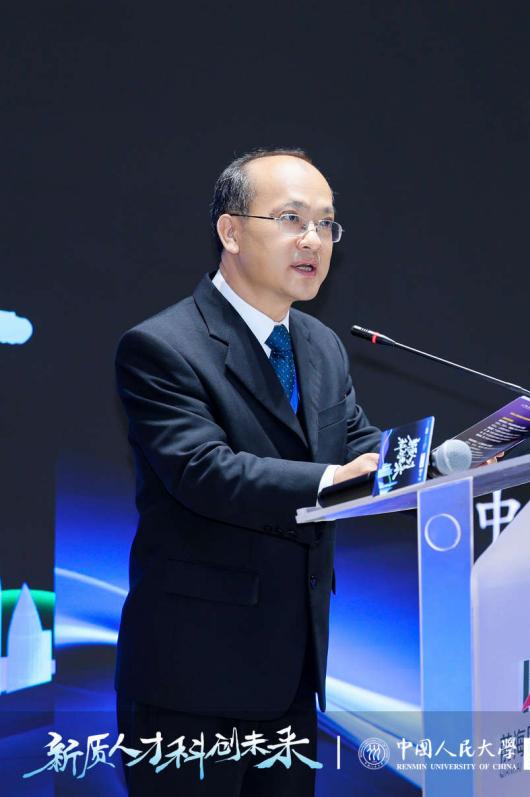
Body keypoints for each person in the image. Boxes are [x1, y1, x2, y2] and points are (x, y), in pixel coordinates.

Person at [113, 148, 381, 796]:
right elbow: (205, 471)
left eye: (326, 223)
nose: (313, 239)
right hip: (190, 681)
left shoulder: (319, 345)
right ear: (230, 231)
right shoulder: (161, 346)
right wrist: (333, 480)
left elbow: (360, 443)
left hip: (291, 675)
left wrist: (455, 458)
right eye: (291, 219)